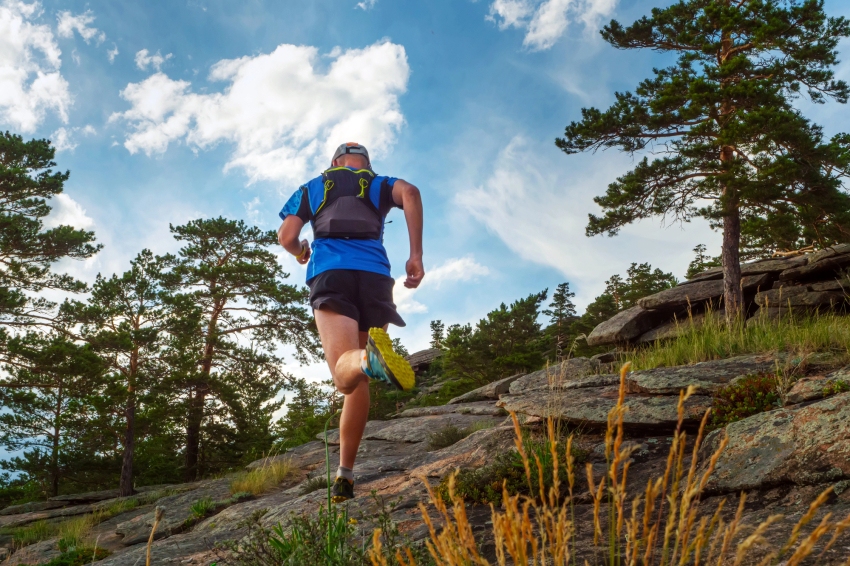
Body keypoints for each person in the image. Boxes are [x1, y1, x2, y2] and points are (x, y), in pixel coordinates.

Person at [277, 142, 424, 503]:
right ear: (366, 163)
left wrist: (301, 252)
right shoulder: (377, 183)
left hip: (332, 272)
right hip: (376, 277)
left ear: (335, 162)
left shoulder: (314, 186)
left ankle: (367, 358)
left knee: (346, 376)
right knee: (360, 380)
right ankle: (345, 473)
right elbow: (411, 193)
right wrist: (416, 255)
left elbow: (287, 237)